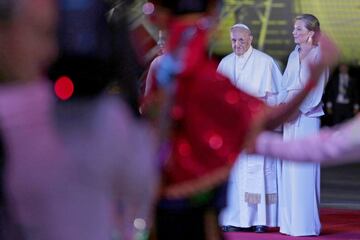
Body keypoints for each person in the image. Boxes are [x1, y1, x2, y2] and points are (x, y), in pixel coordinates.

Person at [143, 1, 338, 239]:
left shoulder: (166, 71)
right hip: (195, 193)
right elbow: (269, 117)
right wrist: (311, 81)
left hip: (167, 191)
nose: (236, 44)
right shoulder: (206, 75)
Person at [0, 1, 157, 240]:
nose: (51, 50)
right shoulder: (106, 119)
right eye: (43, 33)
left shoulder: (104, 118)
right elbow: (142, 183)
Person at [217, 23, 283, 233]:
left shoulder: (265, 62)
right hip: (232, 132)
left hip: (256, 128)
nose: (237, 44)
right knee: (235, 175)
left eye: (241, 40)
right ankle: (235, 219)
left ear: (251, 39)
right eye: (234, 40)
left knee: (258, 173)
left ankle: (259, 220)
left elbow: (274, 97)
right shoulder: (225, 62)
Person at [278, 13, 328, 236]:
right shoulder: (292, 55)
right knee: (289, 170)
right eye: (294, 28)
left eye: (298, 29)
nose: (294, 32)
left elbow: (316, 88)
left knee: (304, 171)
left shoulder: (319, 55)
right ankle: (290, 224)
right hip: (290, 116)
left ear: (310, 32)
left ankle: (306, 225)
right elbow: (285, 85)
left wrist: (297, 109)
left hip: (307, 117)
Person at [144, 30, 167, 96]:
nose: (159, 43)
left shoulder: (157, 62)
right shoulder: (156, 62)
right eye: (159, 39)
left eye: (163, 39)